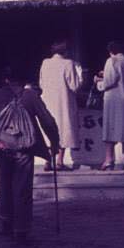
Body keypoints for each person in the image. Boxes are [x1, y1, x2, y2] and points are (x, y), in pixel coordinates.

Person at [0, 66, 60, 246]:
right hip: (24, 148)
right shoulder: (30, 96)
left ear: (5, 79)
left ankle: (6, 223)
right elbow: (47, 120)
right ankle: (21, 230)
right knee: (22, 189)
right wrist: (55, 142)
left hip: (2, 148)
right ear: (23, 80)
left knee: (5, 185)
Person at [38, 39, 82, 171]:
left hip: (48, 102)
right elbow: (74, 86)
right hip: (64, 102)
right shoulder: (68, 63)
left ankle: (47, 161)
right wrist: (80, 76)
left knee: (49, 130)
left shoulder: (45, 63)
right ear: (66, 51)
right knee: (63, 129)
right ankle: (59, 161)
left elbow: (41, 83)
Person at [98, 41, 124, 170]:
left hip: (113, 99)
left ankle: (109, 159)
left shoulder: (112, 61)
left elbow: (109, 81)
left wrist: (99, 83)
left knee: (110, 128)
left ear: (111, 51)